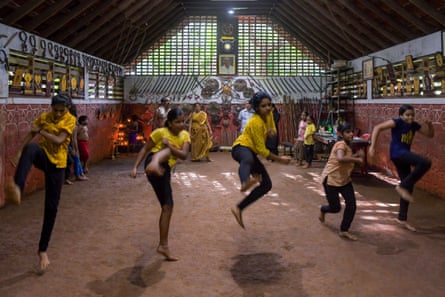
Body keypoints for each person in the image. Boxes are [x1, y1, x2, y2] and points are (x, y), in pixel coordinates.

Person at [4, 94, 76, 273]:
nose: (58, 114)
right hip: (43, 157)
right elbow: (31, 134)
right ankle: (17, 188)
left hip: (58, 165)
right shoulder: (45, 117)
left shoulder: (70, 119)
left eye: (62, 110)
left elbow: (59, 140)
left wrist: (41, 131)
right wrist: (19, 152)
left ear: (67, 109)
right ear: (51, 107)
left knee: (51, 208)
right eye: (55, 110)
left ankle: (42, 250)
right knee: (31, 148)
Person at [130, 108, 190, 261]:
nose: (181, 125)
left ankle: (163, 245)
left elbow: (183, 155)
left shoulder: (185, 136)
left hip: (164, 170)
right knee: (167, 152)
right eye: (177, 122)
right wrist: (135, 166)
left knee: (167, 206)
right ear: (169, 123)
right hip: (153, 161)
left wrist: (169, 145)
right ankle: (154, 164)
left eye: (183, 121)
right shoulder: (160, 132)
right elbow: (145, 148)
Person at [230, 91, 291, 229]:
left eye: (269, 105)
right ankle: (245, 182)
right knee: (248, 159)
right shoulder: (255, 122)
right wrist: (281, 159)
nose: (268, 108)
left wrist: (271, 131)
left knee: (266, 185)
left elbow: (272, 129)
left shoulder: (268, 114)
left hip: (252, 151)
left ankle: (239, 208)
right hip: (240, 147)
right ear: (257, 108)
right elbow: (262, 151)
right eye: (264, 106)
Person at [368, 104, 434, 231]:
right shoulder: (396, 122)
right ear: (401, 115)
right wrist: (372, 146)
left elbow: (430, 135)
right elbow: (377, 128)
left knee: (408, 188)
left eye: (412, 115)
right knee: (425, 162)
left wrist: (430, 124)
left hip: (402, 156)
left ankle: (401, 218)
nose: (410, 117)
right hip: (398, 153)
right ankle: (402, 186)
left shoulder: (414, 125)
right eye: (407, 115)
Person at [318, 123, 364, 241]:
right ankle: (323, 209)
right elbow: (340, 158)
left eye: (351, 131)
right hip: (331, 180)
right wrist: (357, 159)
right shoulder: (340, 144)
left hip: (344, 180)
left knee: (352, 205)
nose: (351, 134)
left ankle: (344, 230)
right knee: (335, 208)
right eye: (347, 132)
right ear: (341, 134)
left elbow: (345, 159)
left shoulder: (348, 146)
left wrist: (356, 155)